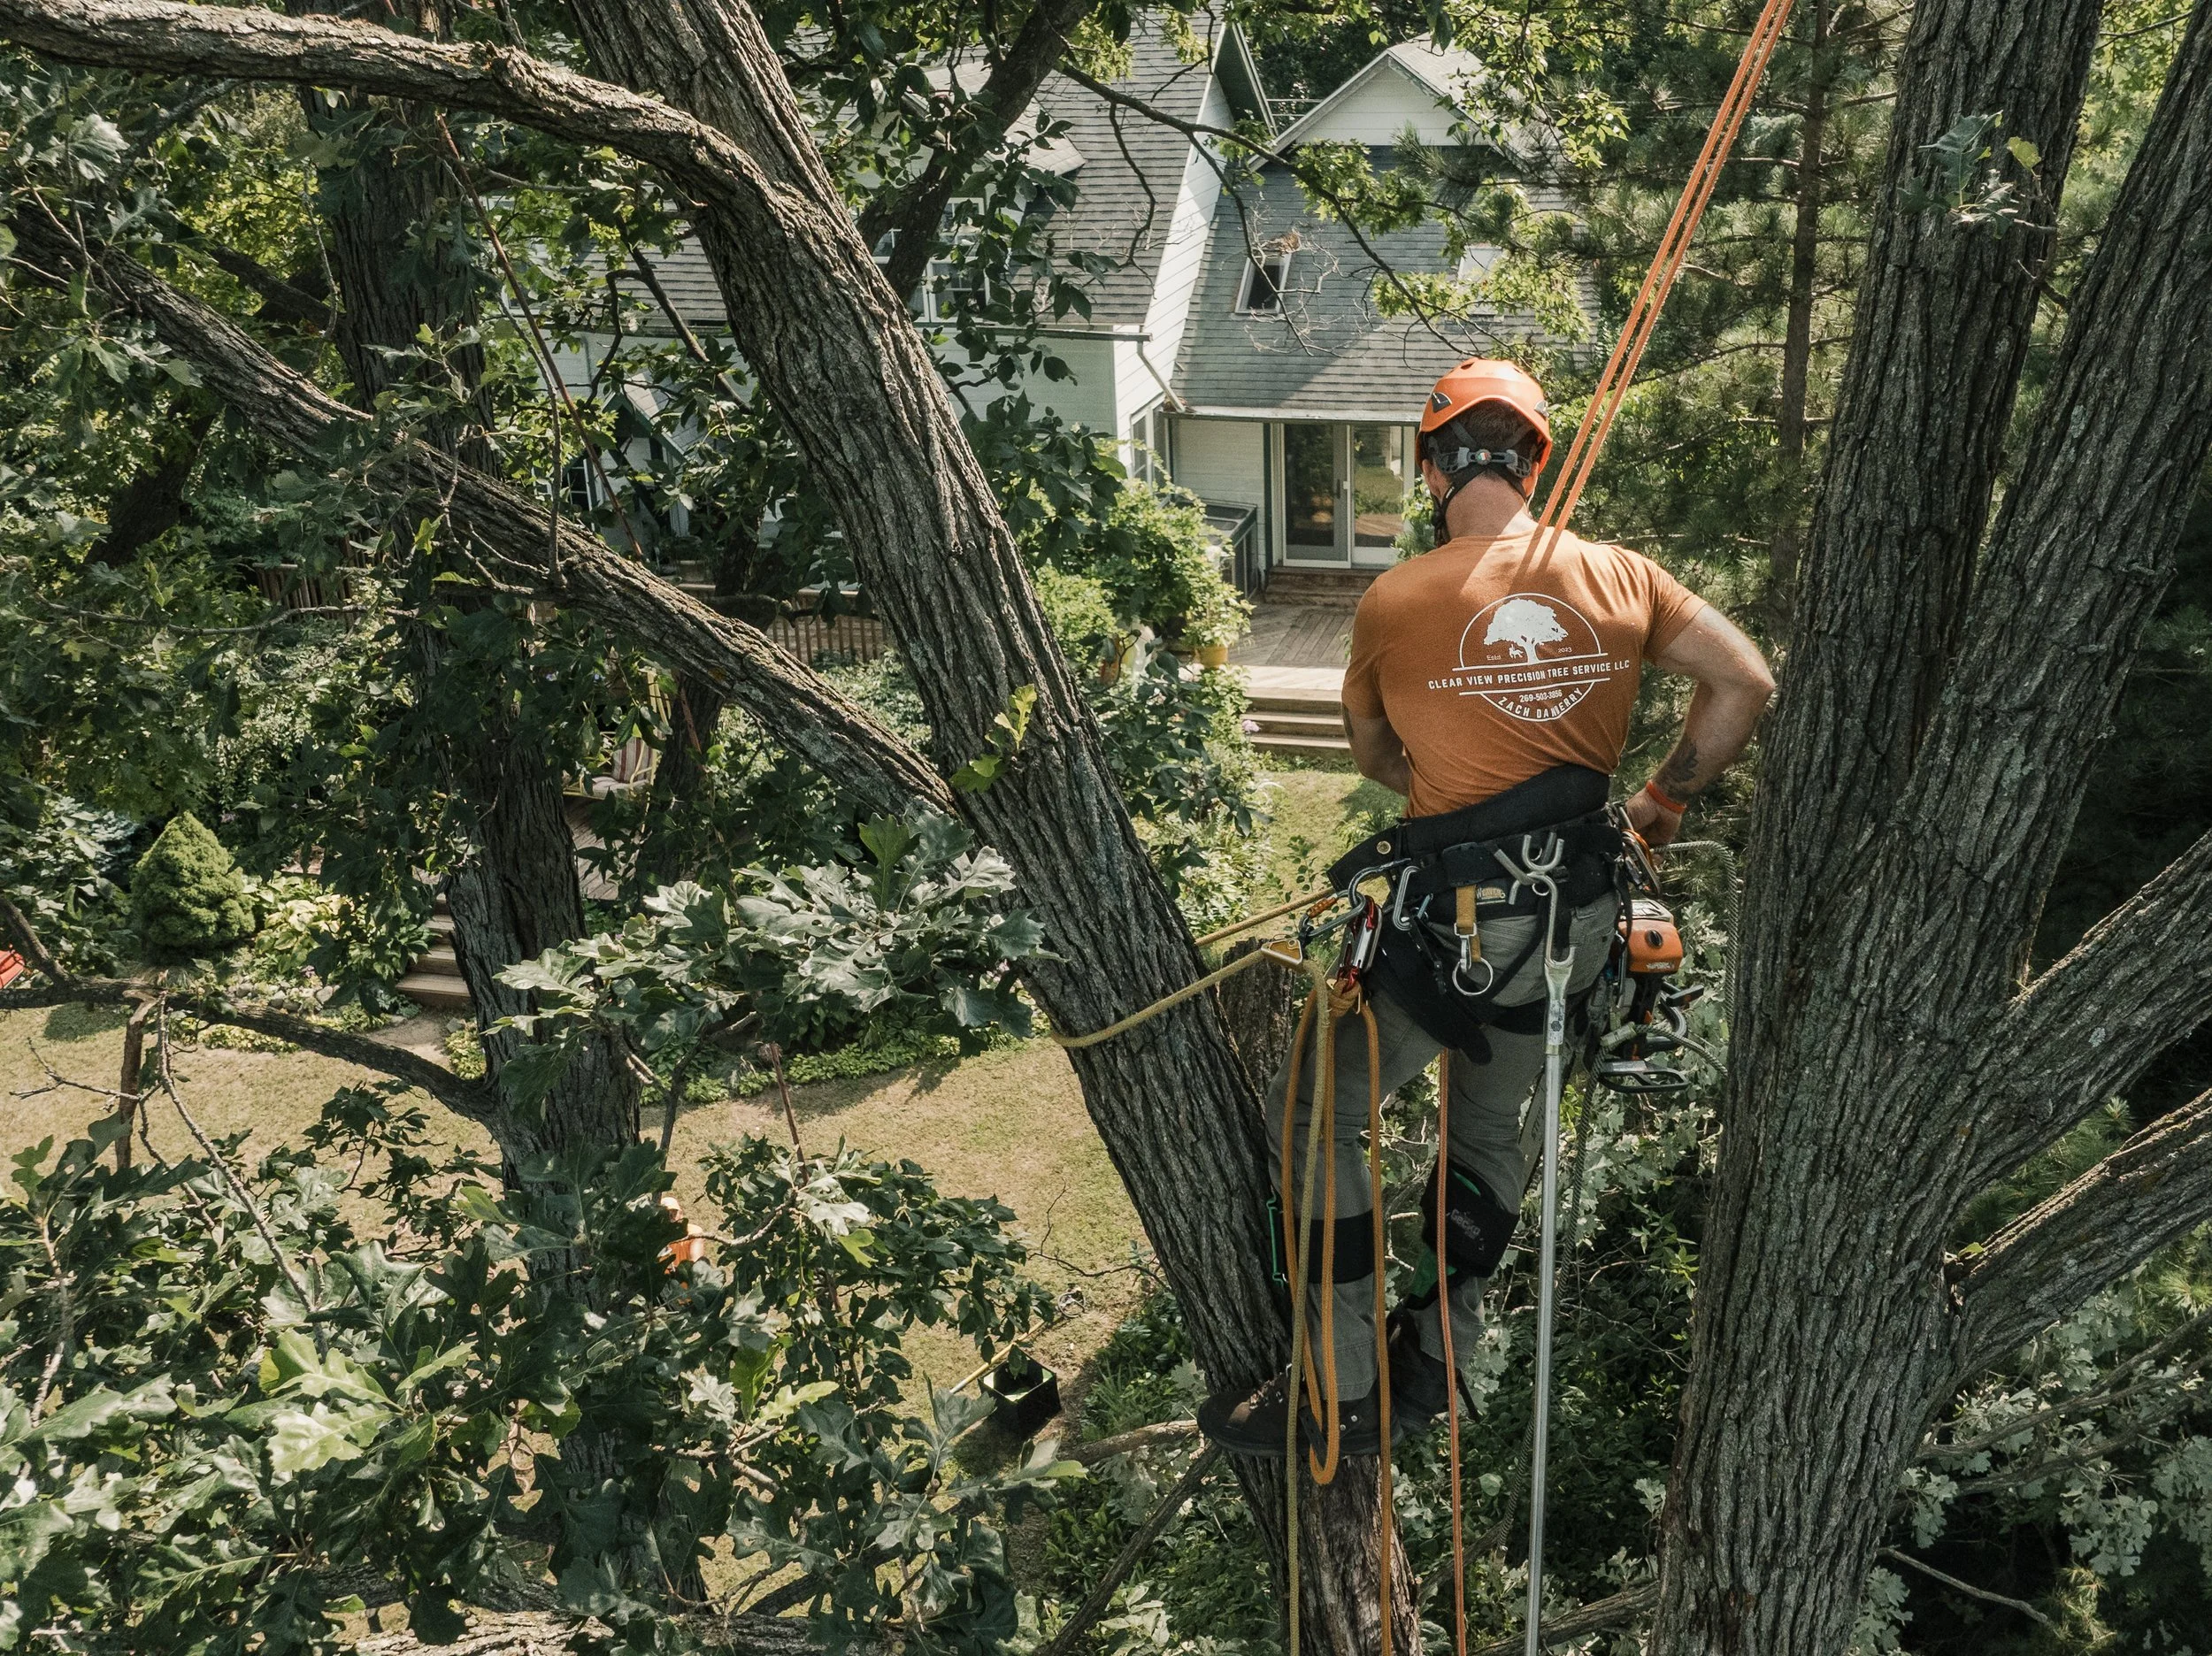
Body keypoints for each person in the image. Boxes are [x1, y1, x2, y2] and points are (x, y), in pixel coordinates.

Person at [1200, 358, 1775, 1456]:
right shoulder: (1624, 575)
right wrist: (1658, 798)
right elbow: (1743, 680)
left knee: (1324, 1114)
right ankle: (1442, 1356)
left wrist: (1455, 750)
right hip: (1579, 921)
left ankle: (1348, 1389)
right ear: (1534, 461)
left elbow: (1375, 756)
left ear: (1430, 468)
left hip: (1456, 925)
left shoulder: (1393, 600)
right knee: (1489, 1126)